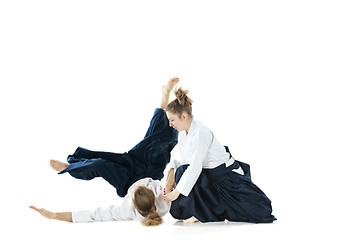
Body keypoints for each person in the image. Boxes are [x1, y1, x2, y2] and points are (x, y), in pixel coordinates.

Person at [48, 78, 179, 198]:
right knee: (158, 139)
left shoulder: (128, 206)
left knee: (99, 163)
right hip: (147, 168)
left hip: (128, 182)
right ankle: (164, 97)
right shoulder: (160, 205)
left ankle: (69, 167)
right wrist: (169, 190)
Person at [163, 87, 277, 223]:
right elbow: (182, 162)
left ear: (183, 116)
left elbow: (194, 167)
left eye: (172, 120)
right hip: (207, 176)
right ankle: (203, 212)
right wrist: (169, 182)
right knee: (181, 180)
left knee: (261, 209)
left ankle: (208, 211)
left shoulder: (200, 133)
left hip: (225, 178)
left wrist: (176, 193)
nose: (170, 124)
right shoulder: (182, 134)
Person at [30, 177, 168, 226]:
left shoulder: (125, 210)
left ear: (133, 205)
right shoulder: (164, 199)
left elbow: (94, 214)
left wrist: (55, 215)